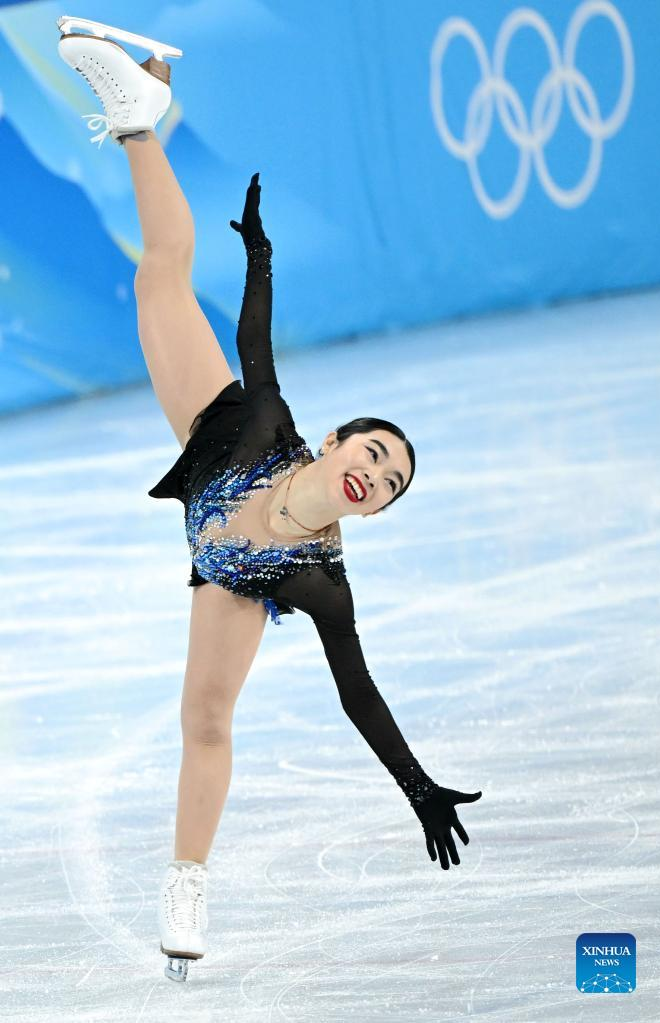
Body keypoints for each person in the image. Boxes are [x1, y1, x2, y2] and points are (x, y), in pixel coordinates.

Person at [57, 16, 482, 982]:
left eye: (389, 483)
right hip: (213, 437)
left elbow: (358, 694)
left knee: (205, 721)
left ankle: (186, 883)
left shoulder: (317, 581)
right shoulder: (269, 422)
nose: (376, 472)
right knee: (159, 274)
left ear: (371, 511)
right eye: (375, 451)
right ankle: (140, 114)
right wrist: (259, 255)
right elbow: (255, 339)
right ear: (336, 442)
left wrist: (418, 788)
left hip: (233, 572)